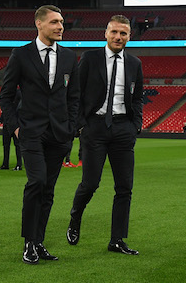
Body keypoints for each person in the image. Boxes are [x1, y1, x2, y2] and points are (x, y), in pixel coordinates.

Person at [0, 5, 80, 265]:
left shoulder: (69, 57)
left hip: (59, 134)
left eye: (62, 22)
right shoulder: (21, 55)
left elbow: (74, 97)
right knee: (36, 182)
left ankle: (39, 242)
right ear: (39, 24)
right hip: (31, 132)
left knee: (48, 189)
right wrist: (15, 127)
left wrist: (71, 128)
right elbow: (6, 95)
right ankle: (28, 243)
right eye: (55, 22)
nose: (60, 27)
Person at [67, 15, 144, 256]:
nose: (118, 37)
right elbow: (75, 93)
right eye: (114, 32)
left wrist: (135, 126)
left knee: (124, 188)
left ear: (129, 36)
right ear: (106, 33)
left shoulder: (135, 64)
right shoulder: (90, 58)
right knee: (90, 184)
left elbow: (138, 96)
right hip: (96, 128)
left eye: (123, 33)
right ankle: (75, 218)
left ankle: (117, 239)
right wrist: (81, 125)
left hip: (123, 129)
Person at [0, 88, 22, 171]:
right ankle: (7, 164)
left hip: (14, 123)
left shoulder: (17, 94)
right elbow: (5, 111)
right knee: (8, 145)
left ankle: (17, 164)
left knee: (15, 145)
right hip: (9, 123)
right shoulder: (13, 94)